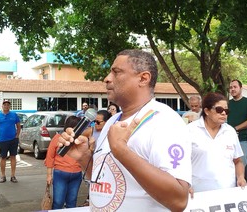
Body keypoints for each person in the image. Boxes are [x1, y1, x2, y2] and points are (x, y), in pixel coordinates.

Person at [59, 49, 192, 211]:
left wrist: (122, 151)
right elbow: (107, 179)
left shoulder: (165, 121)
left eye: (117, 72)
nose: (107, 79)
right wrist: (84, 158)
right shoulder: (112, 121)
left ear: (143, 78)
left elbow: (178, 200)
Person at [188, 92, 246, 194]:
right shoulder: (190, 130)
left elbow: (238, 161)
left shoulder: (230, 131)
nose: (224, 113)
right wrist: (185, 185)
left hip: (227, 193)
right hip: (198, 193)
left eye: (226, 110)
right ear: (206, 111)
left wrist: (241, 177)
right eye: (219, 110)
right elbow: (181, 164)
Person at [45, 115, 82, 209]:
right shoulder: (58, 138)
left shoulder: (81, 140)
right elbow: (50, 156)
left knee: (72, 202)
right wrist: (49, 175)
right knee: (58, 202)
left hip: (77, 174)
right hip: (60, 173)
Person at [0, 100, 21, 183]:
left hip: (13, 140)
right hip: (2, 140)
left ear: (10, 106)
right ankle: (3, 176)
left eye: (8, 105)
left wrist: (17, 136)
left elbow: (18, 127)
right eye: (5, 105)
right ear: (2, 106)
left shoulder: (14, 115)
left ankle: (13, 176)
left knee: (13, 157)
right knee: (3, 157)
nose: (6, 106)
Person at [227, 79, 247, 165]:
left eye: (235, 87)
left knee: (242, 164)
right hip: (228, 140)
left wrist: (235, 129)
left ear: (241, 88)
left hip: (243, 139)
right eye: (231, 87)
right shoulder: (227, 103)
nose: (232, 89)